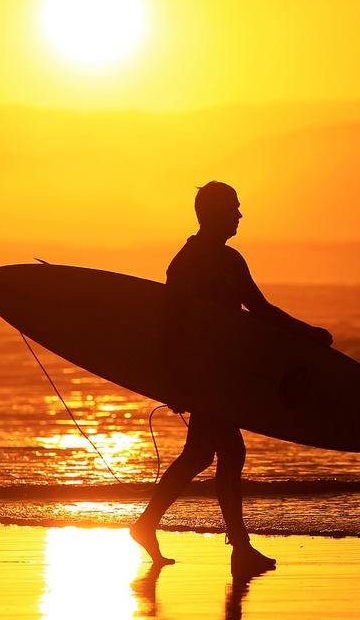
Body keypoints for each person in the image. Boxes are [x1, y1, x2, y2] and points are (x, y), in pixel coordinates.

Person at [130, 181, 332, 578]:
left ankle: (147, 524)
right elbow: (171, 327)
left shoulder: (230, 260)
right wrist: (174, 381)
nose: (240, 215)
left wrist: (306, 333)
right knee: (228, 454)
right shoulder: (186, 262)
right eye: (234, 208)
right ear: (213, 213)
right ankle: (238, 547)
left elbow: (259, 309)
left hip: (224, 374)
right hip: (203, 375)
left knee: (202, 455)